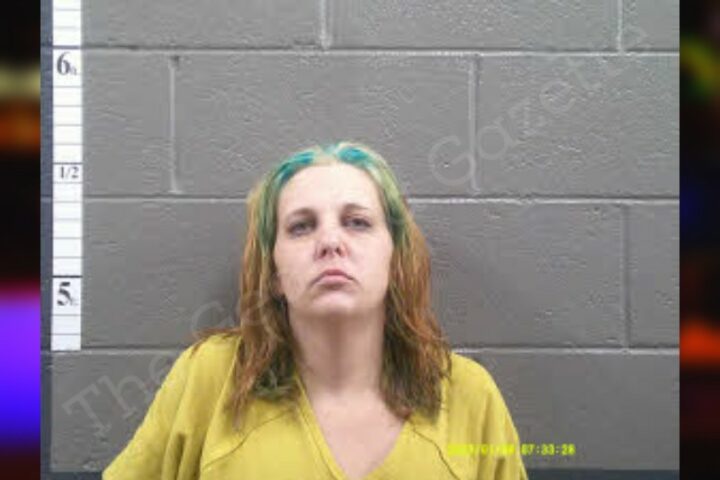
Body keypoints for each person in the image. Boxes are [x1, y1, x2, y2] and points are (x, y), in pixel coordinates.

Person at [102, 141, 529, 480]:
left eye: (357, 222)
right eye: (301, 226)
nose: (330, 242)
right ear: (273, 272)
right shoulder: (210, 378)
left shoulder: (469, 396)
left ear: (396, 259)